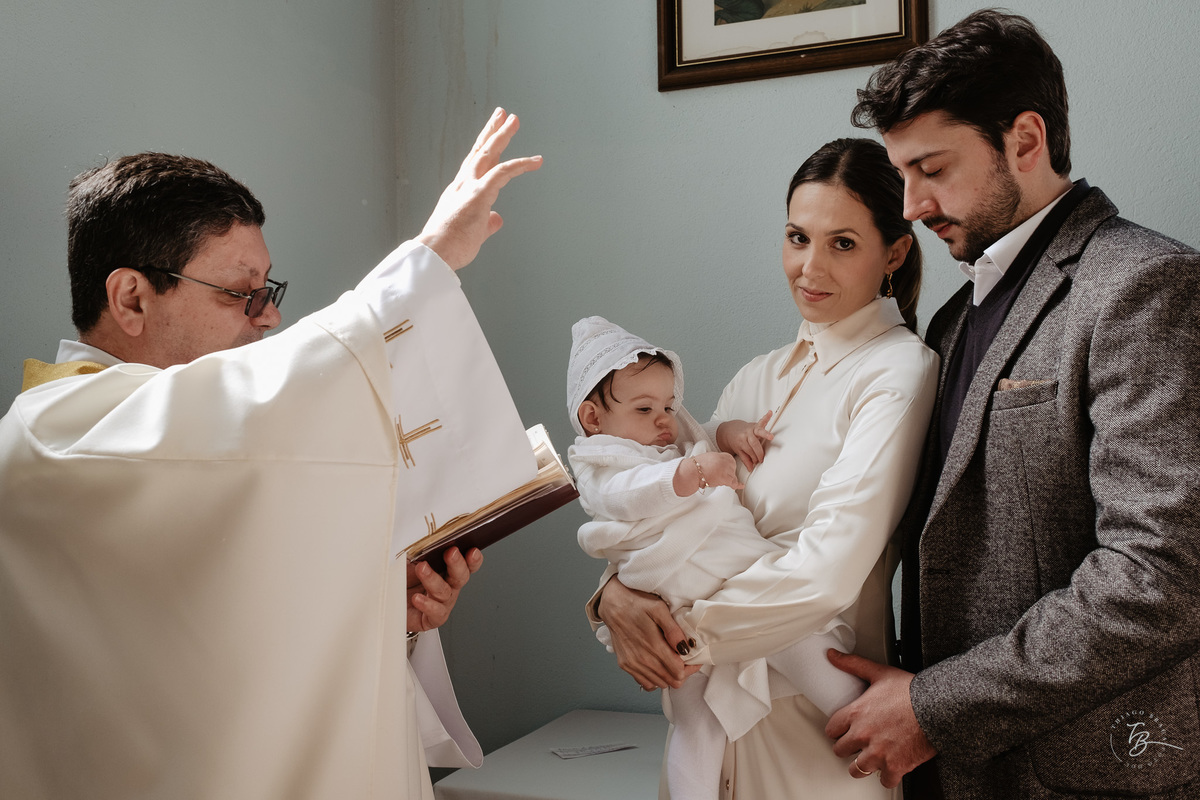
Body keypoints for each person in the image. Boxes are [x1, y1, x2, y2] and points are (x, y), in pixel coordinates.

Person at [0, 108, 542, 800]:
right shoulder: (54, 440)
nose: (270, 316)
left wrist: (384, 613)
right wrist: (428, 259)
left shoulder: (213, 449)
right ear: (131, 298)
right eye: (240, 293)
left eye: (268, 290)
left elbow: (229, 658)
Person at [824, 10, 1200, 799]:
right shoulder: (952, 321)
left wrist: (934, 707)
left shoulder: (1143, 285)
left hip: (1076, 778)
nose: (912, 204)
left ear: (1025, 140)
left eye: (931, 168)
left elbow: (1161, 575)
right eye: (901, 174)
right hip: (947, 774)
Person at [590, 138, 938, 798]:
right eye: (797, 237)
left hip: (814, 743)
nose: (810, 267)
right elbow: (668, 509)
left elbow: (825, 571)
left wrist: (675, 637)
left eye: (842, 244)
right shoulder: (755, 378)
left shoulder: (898, 371)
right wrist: (613, 597)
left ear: (894, 253)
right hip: (701, 738)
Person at [567, 316, 865, 800]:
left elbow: (700, 434)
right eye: (644, 408)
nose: (664, 420)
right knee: (705, 716)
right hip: (695, 585)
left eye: (669, 405)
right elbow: (628, 494)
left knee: (784, 663)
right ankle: (862, 724)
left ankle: (866, 727)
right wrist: (691, 475)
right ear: (594, 418)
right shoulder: (601, 464)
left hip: (715, 590)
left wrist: (730, 433)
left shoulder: (664, 444)